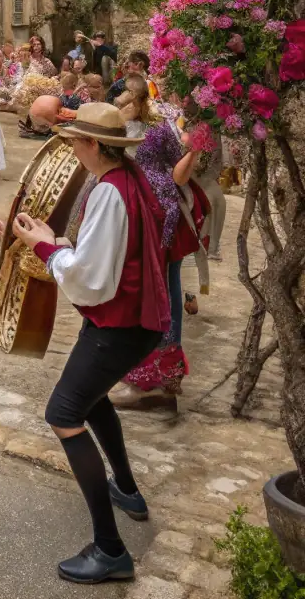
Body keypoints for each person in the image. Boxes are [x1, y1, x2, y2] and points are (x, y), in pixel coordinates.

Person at [0, 102, 169, 585]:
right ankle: (126, 489)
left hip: (120, 323)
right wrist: (47, 238)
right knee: (90, 397)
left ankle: (110, 550)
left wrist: (46, 246)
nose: (70, 148)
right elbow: (98, 255)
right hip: (129, 317)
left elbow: (90, 279)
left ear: (90, 145)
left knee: (63, 414)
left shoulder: (109, 192)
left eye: (74, 141)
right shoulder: (125, 179)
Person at [110, 121, 210, 412]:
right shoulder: (170, 115)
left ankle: (154, 382)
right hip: (160, 210)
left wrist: (192, 150)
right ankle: (158, 379)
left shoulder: (184, 121)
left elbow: (179, 175)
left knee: (161, 291)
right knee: (166, 288)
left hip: (162, 214)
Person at [114, 75, 154, 141]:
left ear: (132, 93)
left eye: (126, 89)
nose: (123, 92)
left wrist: (118, 102)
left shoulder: (132, 108)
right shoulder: (145, 105)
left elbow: (116, 124)